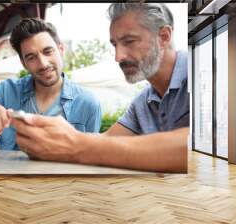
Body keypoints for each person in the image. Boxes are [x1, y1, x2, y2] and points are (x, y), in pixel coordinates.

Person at [11, 3, 190, 173]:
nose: (118, 56)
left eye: (129, 41)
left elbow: (197, 147)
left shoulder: (202, 75)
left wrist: (77, 145)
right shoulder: (144, 102)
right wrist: (50, 139)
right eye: (115, 44)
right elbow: (105, 140)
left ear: (164, 37)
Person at [0, 18, 102, 149]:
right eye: (31, 57)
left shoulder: (88, 102)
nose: (43, 64)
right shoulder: (4, 92)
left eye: (48, 51)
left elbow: (91, 157)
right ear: (23, 63)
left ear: (61, 49)